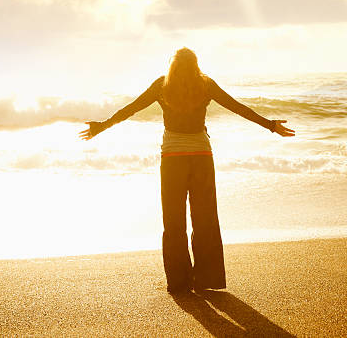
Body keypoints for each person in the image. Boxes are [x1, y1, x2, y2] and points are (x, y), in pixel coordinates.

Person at [79, 47, 295, 294]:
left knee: (173, 221)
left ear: (172, 65)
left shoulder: (162, 85)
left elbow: (131, 108)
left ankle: (179, 283)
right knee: (205, 219)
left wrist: (102, 126)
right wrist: (270, 125)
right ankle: (206, 279)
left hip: (172, 159)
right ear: (196, 65)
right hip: (202, 157)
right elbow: (237, 107)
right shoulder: (205, 84)